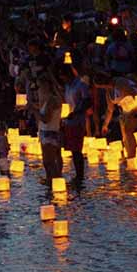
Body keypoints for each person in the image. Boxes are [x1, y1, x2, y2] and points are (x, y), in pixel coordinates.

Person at [61, 55, 90, 186]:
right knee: (73, 150)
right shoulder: (67, 86)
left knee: (77, 150)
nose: (62, 79)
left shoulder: (81, 84)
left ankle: (80, 176)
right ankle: (78, 176)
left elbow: (87, 101)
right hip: (68, 121)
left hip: (77, 121)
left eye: (63, 76)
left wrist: (76, 112)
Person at [35, 72, 64, 182]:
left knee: (49, 162)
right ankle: (52, 181)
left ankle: (53, 182)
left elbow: (46, 119)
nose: (39, 89)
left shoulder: (52, 100)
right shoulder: (47, 100)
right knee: (49, 161)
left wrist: (34, 111)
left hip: (50, 133)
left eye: (40, 86)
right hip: (45, 132)